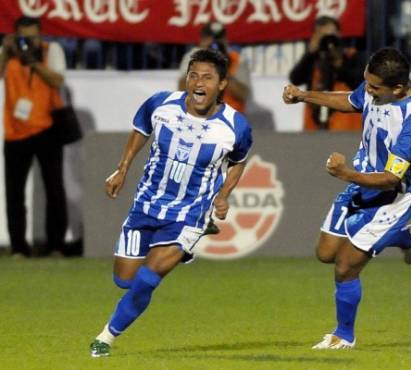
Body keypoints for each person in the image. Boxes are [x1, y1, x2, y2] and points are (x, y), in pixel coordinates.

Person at [89, 48, 252, 357]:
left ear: (221, 85)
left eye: (207, 77)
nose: (198, 83)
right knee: (125, 279)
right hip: (146, 206)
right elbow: (141, 129)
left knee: (148, 279)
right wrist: (122, 168)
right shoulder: (161, 103)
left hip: (189, 214)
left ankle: (106, 337)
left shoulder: (236, 126)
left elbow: (239, 160)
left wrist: (223, 194)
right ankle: (184, 245)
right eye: (193, 75)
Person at [283, 47, 411, 349]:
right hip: (362, 182)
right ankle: (405, 238)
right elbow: (351, 101)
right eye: (367, 81)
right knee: (325, 253)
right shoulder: (378, 85)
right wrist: (304, 95)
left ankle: (344, 335)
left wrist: (343, 173)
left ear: (399, 88)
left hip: (393, 196)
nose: (368, 90)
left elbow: (391, 177)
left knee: (345, 266)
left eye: (374, 87)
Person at [0, 16, 67, 257]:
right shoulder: (8, 54)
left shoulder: (53, 50)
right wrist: (7, 53)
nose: (27, 42)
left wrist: (33, 62)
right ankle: (18, 247)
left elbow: (57, 80)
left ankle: (56, 246)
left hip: (47, 128)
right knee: (14, 193)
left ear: (40, 35)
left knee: (54, 190)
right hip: (15, 131)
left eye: (32, 37)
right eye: (23, 38)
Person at [288, 16, 366, 131]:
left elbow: (360, 83)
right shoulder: (314, 59)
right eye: (323, 36)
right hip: (314, 126)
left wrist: (339, 64)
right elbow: (295, 78)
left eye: (331, 35)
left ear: (339, 35)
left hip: (346, 128)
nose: (328, 41)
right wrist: (310, 53)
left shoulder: (352, 57)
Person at [178, 22, 251, 114]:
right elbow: (181, 90)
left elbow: (243, 94)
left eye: (219, 38)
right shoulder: (191, 57)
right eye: (209, 37)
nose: (214, 43)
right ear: (202, 40)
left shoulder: (238, 59)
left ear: (225, 40)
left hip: (229, 118)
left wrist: (224, 70)